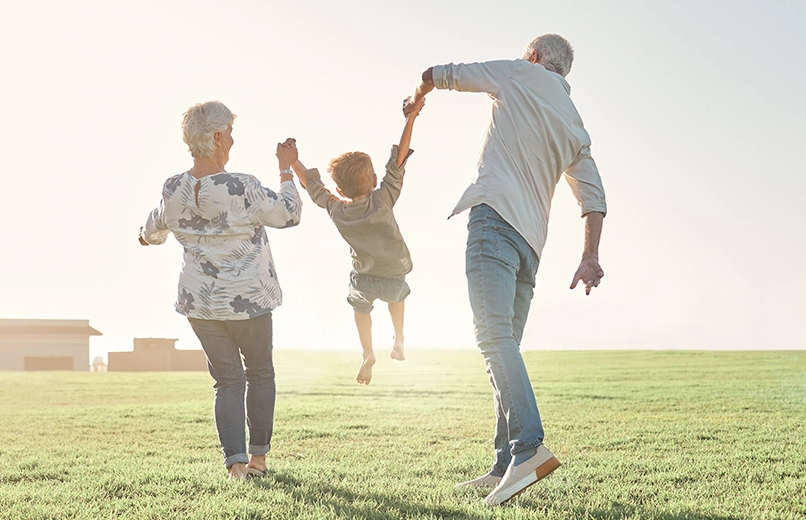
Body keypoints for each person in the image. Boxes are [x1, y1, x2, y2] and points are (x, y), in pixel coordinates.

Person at [408, 34, 607, 505]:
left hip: (494, 221)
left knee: (492, 339)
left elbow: (444, 73)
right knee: (505, 345)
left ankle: (528, 449)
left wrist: (416, 100)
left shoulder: (520, 73)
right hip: (530, 245)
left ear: (535, 57)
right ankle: (504, 465)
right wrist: (590, 256)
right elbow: (593, 198)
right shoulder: (575, 123)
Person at [138, 100, 302, 480]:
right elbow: (288, 214)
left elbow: (155, 225)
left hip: (201, 307)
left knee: (227, 380)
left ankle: (236, 467)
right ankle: (258, 461)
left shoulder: (173, 187)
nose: (233, 139)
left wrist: (146, 239)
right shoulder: (241, 186)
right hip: (249, 303)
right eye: (229, 132)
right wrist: (285, 169)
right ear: (216, 137)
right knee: (259, 373)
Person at [285, 97, 425, 385]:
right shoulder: (383, 199)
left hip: (363, 276)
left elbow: (313, 187)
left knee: (361, 309)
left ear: (339, 188)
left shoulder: (338, 209)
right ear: (374, 179)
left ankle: (367, 352)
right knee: (396, 299)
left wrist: (292, 161)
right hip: (393, 272)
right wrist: (410, 118)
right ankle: (398, 339)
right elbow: (398, 160)